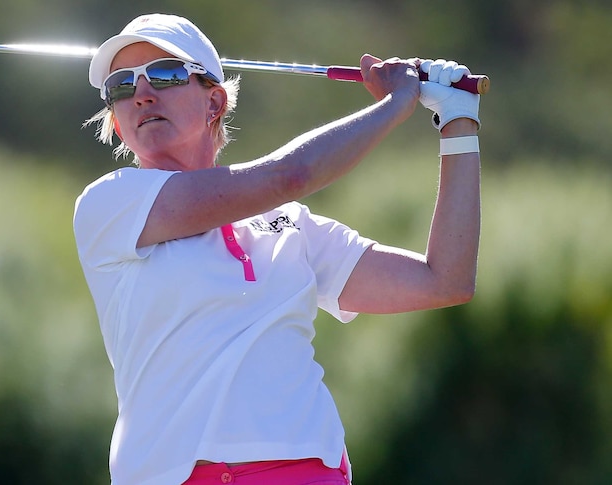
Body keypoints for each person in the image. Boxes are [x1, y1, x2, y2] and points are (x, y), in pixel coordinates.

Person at [73, 13, 481, 485]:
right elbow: (290, 176)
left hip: (308, 471)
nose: (142, 94)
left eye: (165, 75)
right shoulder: (110, 205)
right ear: (119, 125)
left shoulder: (291, 226)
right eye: (122, 86)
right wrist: (396, 104)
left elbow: (445, 280)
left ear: (214, 103)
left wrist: (459, 121)